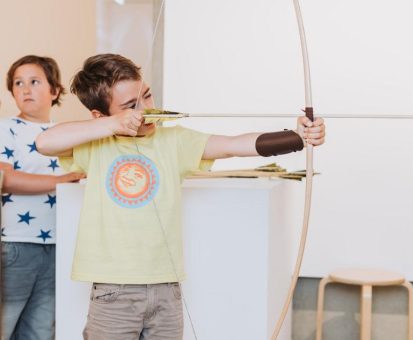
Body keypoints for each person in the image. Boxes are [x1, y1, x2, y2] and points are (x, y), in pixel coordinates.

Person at [36, 53, 325, 340]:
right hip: (114, 291)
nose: (147, 109)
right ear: (102, 115)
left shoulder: (174, 140)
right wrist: (113, 125)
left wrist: (297, 137)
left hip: (166, 288)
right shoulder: (96, 144)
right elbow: (45, 142)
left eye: (147, 96)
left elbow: (232, 145)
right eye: (130, 106)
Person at [0, 55, 85, 340]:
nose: (25, 89)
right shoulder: (6, 128)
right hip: (16, 244)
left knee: (41, 329)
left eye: (35, 82)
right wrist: (60, 181)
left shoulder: (65, 135)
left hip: (58, 245)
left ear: (55, 90)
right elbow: (5, 179)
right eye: (18, 83)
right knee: (5, 323)